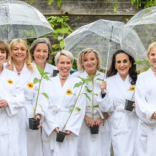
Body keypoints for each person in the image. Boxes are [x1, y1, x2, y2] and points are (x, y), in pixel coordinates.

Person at [40, 50, 86, 156]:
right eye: (62, 63)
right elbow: (44, 105)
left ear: (71, 64)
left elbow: (80, 108)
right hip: (51, 126)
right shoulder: (47, 82)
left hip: (69, 127)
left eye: (68, 63)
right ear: (56, 64)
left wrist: (70, 127)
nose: (65, 66)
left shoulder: (79, 84)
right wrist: (53, 125)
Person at [98, 50, 138, 156]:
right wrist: (103, 92)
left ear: (130, 63)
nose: (122, 65)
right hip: (118, 123)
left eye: (125, 61)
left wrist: (138, 104)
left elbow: (145, 101)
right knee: (121, 151)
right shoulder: (108, 82)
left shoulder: (138, 81)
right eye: (118, 62)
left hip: (135, 122)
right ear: (115, 65)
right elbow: (106, 108)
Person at [7, 39, 42, 156]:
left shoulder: (33, 69)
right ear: (10, 51)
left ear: (27, 52)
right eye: (15, 49)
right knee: (11, 145)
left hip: (29, 114)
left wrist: (38, 114)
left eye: (22, 49)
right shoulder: (4, 69)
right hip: (9, 112)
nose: (19, 52)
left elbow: (39, 94)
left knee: (30, 147)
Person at [72, 48, 111, 156]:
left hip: (101, 123)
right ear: (81, 62)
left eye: (92, 59)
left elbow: (111, 103)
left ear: (97, 60)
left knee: (101, 151)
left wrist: (103, 117)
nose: (89, 62)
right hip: (82, 123)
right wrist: (85, 117)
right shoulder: (75, 78)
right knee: (83, 151)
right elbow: (72, 102)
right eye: (85, 60)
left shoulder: (105, 78)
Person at [0, 40, 24, 156]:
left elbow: (21, 99)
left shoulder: (12, 76)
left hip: (10, 122)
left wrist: (8, 102)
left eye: (3, 52)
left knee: (11, 150)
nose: (0, 54)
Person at [135, 42, 156, 156]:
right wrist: (151, 113)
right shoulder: (142, 77)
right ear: (148, 57)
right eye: (153, 54)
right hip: (148, 124)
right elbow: (139, 100)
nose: (155, 57)